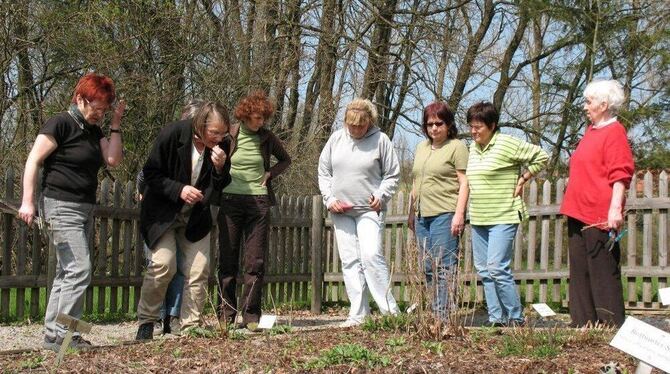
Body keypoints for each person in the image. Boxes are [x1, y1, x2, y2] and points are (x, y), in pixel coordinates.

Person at [17, 73, 125, 351]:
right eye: (96, 107)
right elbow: (33, 161)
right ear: (80, 99)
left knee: (67, 272)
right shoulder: (60, 123)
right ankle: (66, 334)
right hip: (59, 205)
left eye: (105, 109)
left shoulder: (94, 130)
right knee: (80, 269)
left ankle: (54, 334)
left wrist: (114, 124)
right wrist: (28, 201)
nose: (99, 113)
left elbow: (112, 159)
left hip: (83, 208)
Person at [135, 101, 231, 340]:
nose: (219, 139)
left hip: (196, 217)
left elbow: (218, 188)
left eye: (223, 133)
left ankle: (191, 327)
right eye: (214, 133)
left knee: (199, 270)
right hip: (163, 213)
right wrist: (179, 189)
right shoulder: (173, 133)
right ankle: (147, 321)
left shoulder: (223, 146)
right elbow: (151, 174)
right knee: (163, 264)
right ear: (200, 124)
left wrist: (220, 169)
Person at [318, 98, 401, 327]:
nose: (355, 130)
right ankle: (358, 314)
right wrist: (329, 198)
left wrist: (381, 195)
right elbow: (324, 172)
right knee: (350, 261)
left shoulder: (381, 140)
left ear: (369, 122)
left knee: (371, 255)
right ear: (345, 121)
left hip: (369, 211)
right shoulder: (336, 139)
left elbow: (392, 174)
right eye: (351, 125)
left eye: (360, 126)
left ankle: (390, 313)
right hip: (341, 211)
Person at [466, 101, 548, 327]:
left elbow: (541, 156)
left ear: (492, 125)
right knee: (484, 270)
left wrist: (523, 179)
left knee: (497, 267)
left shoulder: (506, 143)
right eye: (471, 127)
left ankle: (515, 317)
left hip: (503, 215)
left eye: (478, 127)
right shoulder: (473, 148)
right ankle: (496, 318)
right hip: (479, 217)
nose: (473, 132)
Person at [560, 80, 634, 328]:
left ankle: (610, 325)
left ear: (604, 105)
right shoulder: (591, 132)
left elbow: (620, 174)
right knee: (580, 271)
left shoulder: (615, 132)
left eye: (588, 101)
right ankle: (583, 323)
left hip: (599, 214)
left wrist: (615, 209)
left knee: (602, 271)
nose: (585, 107)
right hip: (577, 211)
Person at [217, 91, 291, 331]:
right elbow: (215, 159)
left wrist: (270, 173)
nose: (261, 122)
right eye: (257, 118)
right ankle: (226, 315)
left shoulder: (267, 138)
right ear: (246, 115)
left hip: (258, 203)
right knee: (228, 260)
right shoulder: (230, 135)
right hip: (229, 200)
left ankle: (251, 317)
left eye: (263, 118)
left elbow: (285, 160)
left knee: (255, 261)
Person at [408, 102, 469, 320]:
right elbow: (417, 181)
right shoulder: (421, 148)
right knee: (427, 266)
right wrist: (411, 212)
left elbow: (464, 183)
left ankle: (443, 315)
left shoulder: (457, 147)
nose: (434, 128)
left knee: (443, 266)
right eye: (429, 124)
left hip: (445, 213)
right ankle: (437, 309)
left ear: (449, 124)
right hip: (422, 216)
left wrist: (459, 214)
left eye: (439, 123)